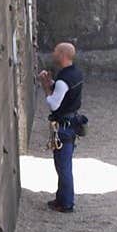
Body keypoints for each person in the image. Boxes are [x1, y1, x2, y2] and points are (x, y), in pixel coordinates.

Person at [37, 42, 84, 213]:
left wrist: (46, 88)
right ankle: (62, 198)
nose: (53, 53)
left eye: (56, 51)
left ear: (63, 55)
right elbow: (65, 92)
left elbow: (54, 104)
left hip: (63, 126)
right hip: (71, 123)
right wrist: (52, 83)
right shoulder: (75, 73)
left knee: (63, 166)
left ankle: (66, 203)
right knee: (64, 165)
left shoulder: (64, 79)